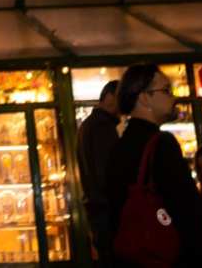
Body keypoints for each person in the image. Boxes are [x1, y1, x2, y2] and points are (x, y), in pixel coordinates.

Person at [106, 64, 202, 267]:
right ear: (144, 98)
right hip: (169, 257)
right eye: (166, 90)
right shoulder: (161, 143)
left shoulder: (118, 148)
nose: (173, 97)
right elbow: (186, 209)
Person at [75, 80, 120, 268]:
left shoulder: (88, 125)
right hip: (106, 211)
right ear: (109, 98)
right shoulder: (103, 127)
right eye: (122, 99)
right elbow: (108, 173)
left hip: (97, 212)